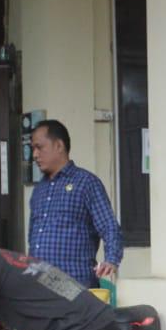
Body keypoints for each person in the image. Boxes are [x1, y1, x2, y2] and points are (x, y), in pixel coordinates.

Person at [28, 119, 123, 288]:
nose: (34, 154)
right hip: (39, 287)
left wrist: (111, 260)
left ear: (58, 145)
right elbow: (32, 238)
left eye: (39, 147)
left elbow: (109, 226)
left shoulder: (86, 182)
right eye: (32, 149)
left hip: (75, 285)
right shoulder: (38, 190)